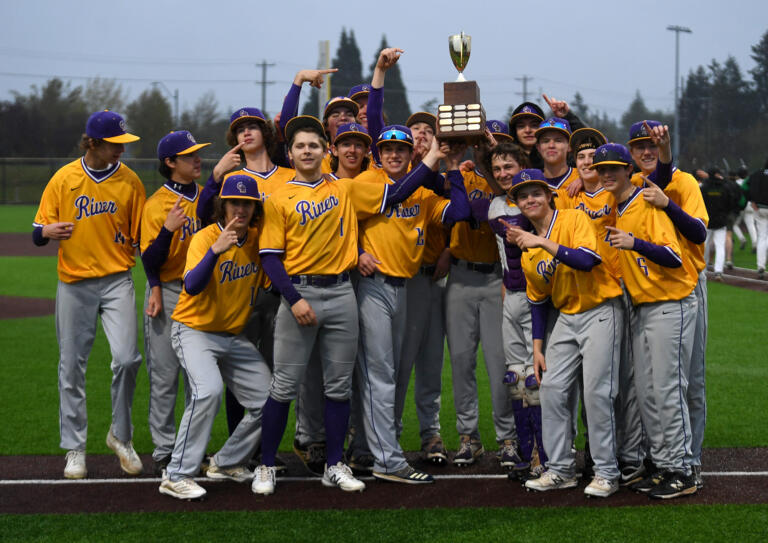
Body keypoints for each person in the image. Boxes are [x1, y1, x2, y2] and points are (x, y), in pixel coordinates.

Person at [252, 115, 444, 494]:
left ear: (326, 151)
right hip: (300, 294)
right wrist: (293, 299)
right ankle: (266, 464)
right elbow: (270, 257)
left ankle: (336, 464)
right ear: (290, 153)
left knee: (338, 388)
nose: (308, 151)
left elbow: (397, 193)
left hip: (341, 293)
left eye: (314, 145)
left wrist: (434, 156)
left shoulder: (346, 189)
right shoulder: (277, 198)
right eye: (301, 146)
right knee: (284, 385)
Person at [32, 110, 145, 479]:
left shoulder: (130, 182)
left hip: (117, 281)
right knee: (71, 367)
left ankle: (120, 436)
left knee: (128, 360)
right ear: (93, 143)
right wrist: (47, 230)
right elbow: (37, 230)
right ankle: (75, 449)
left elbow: (142, 237)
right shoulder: (64, 178)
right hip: (74, 283)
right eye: (115, 145)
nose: (121, 152)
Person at [503, 169, 624, 498]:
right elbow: (538, 302)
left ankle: (606, 473)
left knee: (597, 394)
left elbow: (587, 260)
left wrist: (541, 241)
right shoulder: (528, 251)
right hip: (567, 318)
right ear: (517, 204)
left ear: (548, 196)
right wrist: (537, 348)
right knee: (552, 389)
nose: (530, 199)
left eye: (536, 193)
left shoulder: (574, 218)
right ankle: (560, 470)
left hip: (601, 310)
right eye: (523, 195)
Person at [594, 143, 699, 499]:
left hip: (671, 303)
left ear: (628, 170)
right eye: (601, 169)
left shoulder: (646, 203)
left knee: (669, 389)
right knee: (648, 393)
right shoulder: (617, 207)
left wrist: (634, 243)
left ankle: (683, 470)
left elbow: (673, 256)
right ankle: (662, 463)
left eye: (614, 168)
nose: (607, 174)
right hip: (643, 306)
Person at [159, 174, 272, 500]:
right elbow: (191, 285)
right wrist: (215, 250)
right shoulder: (205, 237)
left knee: (270, 401)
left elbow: (269, 285)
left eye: (247, 203)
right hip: (193, 330)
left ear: (254, 208)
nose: (240, 209)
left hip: (232, 337)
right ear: (222, 205)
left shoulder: (255, 240)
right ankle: (176, 474)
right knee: (207, 391)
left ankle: (226, 462)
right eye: (234, 202)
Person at [559, 127, 646, 486]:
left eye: (593, 158)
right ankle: (598, 453)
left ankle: (632, 454)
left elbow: (638, 170)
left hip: (622, 289)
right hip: (584, 297)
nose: (588, 163)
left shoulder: (616, 191)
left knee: (624, 379)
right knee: (591, 383)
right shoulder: (566, 196)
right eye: (580, 157)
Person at [627, 121, 709, 488]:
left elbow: (699, 232)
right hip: (651, 286)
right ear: (630, 152)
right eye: (639, 146)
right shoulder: (631, 185)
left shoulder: (684, 182)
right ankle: (666, 458)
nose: (646, 151)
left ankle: (689, 462)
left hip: (689, 283)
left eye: (651, 145)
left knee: (689, 381)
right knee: (658, 382)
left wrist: (667, 204)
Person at [444, 123, 518, 469]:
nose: (489, 153)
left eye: (498, 148)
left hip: (495, 279)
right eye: (483, 144)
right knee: (461, 361)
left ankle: (507, 438)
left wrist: (490, 164)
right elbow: (461, 211)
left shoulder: (511, 184)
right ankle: (468, 438)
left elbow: (497, 202)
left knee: (498, 362)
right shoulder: (462, 173)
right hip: (460, 275)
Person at [140, 130, 209, 475]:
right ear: (170, 163)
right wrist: (167, 229)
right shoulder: (156, 205)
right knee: (165, 376)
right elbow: (150, 261)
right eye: (189, 155)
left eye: (197, 154)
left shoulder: (208, 198)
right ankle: (165, 448)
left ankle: (190, 446)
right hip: (167, 293)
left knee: (198, 377)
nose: (197, 159)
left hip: (201, 295)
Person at [395, 110, 451, 466]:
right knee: (398, 364)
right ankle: (391, 433)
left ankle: (431, 433)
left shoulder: (441, 179)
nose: (419, 134)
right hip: (405, 280)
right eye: (413, 129)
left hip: (436, 278)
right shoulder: (392, 177)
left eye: (426, 130)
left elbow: (457, 213)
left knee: (432, 362)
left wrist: (450, 249)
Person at [700, 167, 742, 279]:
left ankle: (702, 269)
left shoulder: (704, 188)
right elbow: (731, 202)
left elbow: (700, 203)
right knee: (720, 246)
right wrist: (725, 214)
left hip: (707, 221)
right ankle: (718, 271)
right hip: (721, 221)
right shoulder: (725, 187)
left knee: (704, 245)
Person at [744, 158, 768, 278]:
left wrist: (751, 200)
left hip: (759, 208)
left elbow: (745, 186)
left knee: (762, 237)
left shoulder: (756, 174)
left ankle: (760, 266)